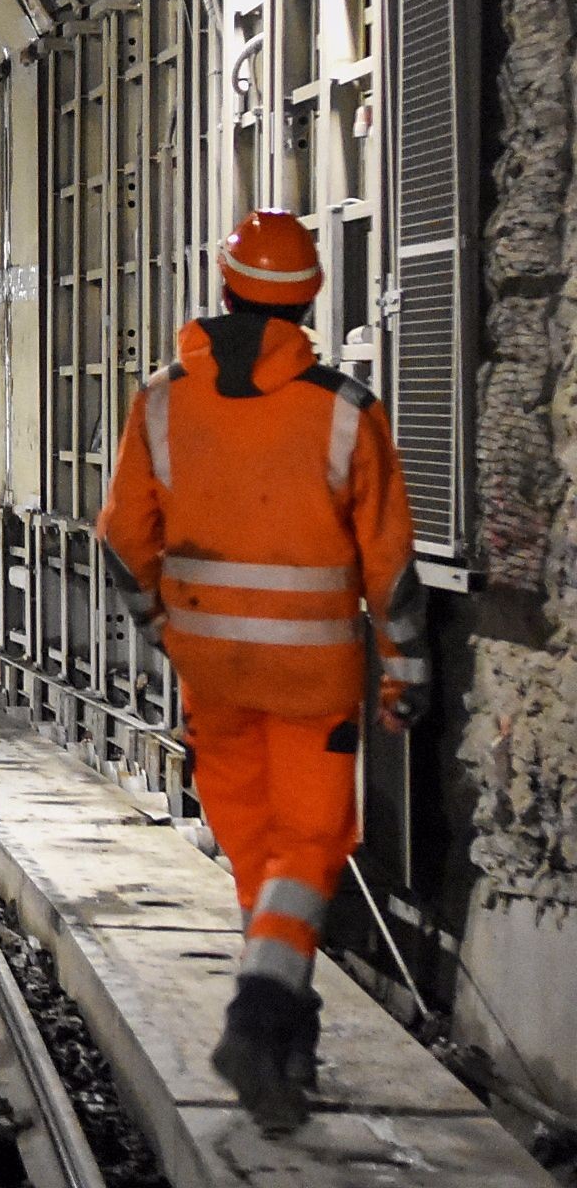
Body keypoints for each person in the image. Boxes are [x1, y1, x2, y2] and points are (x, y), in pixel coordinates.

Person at [96, 209, 429, 1133]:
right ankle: (258, 1022)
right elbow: (390, 567)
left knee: (256, 851)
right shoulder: (346, 411)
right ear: (311, 298)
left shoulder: (161, 401)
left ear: (224, 281)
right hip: (313, 678)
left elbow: (124, 538)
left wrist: (157, 624)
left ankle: (291, 1032)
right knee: (309, 848)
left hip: (213, 675)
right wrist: (406, 671)